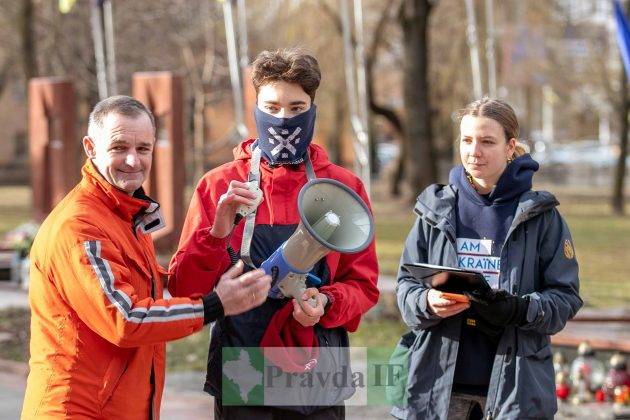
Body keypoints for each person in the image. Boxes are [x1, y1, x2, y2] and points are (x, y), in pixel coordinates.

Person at [21, 96, 271, 420]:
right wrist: (216, 305)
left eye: (143, 149)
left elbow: (169, 288)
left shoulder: (125, 215)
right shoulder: (79, 226)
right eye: (118, 147)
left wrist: (218, 233)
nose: (132, 160)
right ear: (90, 147)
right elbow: (127, 319)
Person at [168, 48, 379, 419]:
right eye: (272, 106)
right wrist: (217, 233)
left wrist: (326, 303)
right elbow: (184, 287)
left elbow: (364, 285)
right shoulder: (218, 185)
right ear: (255, 108)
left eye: (297, 108)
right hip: (243, 364)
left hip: (317, 361)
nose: (283, 119)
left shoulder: (344, 187)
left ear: (313, 108)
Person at [394, 98, 582, 420]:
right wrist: (427, 301)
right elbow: (405, 287)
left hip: (516, 393)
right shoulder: (435, 209)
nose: (474, 151)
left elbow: (565, 298)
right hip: (437, 390)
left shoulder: (542, 217)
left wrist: (519, 309)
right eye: (467, 140)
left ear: (510, 147)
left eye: (487, 141)